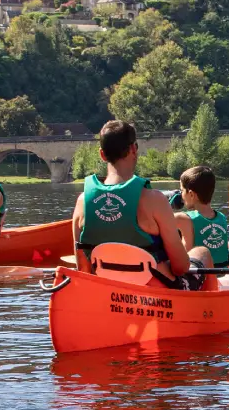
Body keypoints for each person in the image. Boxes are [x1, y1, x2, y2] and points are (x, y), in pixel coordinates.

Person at [70, 120, 213, 289]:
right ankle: (210, 311)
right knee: (202, 253)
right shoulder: (155, 200)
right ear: (133, 149)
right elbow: (181, 267)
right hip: (156, 293)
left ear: (102, 154)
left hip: (109, 293)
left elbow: (83, 270)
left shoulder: (82, 203)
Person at [172, 165, 229, 268]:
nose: (181, 195)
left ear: (191, 194)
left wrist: (167, 204)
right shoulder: (222, 217)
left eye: (182, 190)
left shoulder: (182, 218)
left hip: (198, 277)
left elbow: (156, 220)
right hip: (222, 272)